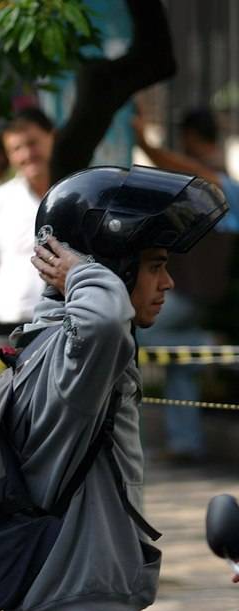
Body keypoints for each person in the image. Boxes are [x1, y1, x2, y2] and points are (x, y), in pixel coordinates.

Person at [11, 165, 227, 611]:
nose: (168, 281)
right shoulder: (80, 351)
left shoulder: (61, 347)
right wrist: (82, 268)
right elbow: (104, 321)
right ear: (110, 266)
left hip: (77, 606)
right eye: (154, 264)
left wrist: (83, 273)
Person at [132, 107, 239, 463]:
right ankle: (186, 444)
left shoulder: (220, 183)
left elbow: (180, 167)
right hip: (195, 292)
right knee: (181, 364)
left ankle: (209, 344)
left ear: (191, 137)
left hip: (193, 293)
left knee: (130, 332)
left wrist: (144, 142)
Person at [0, 107, 55, 328]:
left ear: (51, 138)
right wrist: (3, 304)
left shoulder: (75, 193)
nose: (27, 155)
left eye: (32, 143)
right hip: (11, 321)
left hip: (65, 322)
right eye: (17, 148)